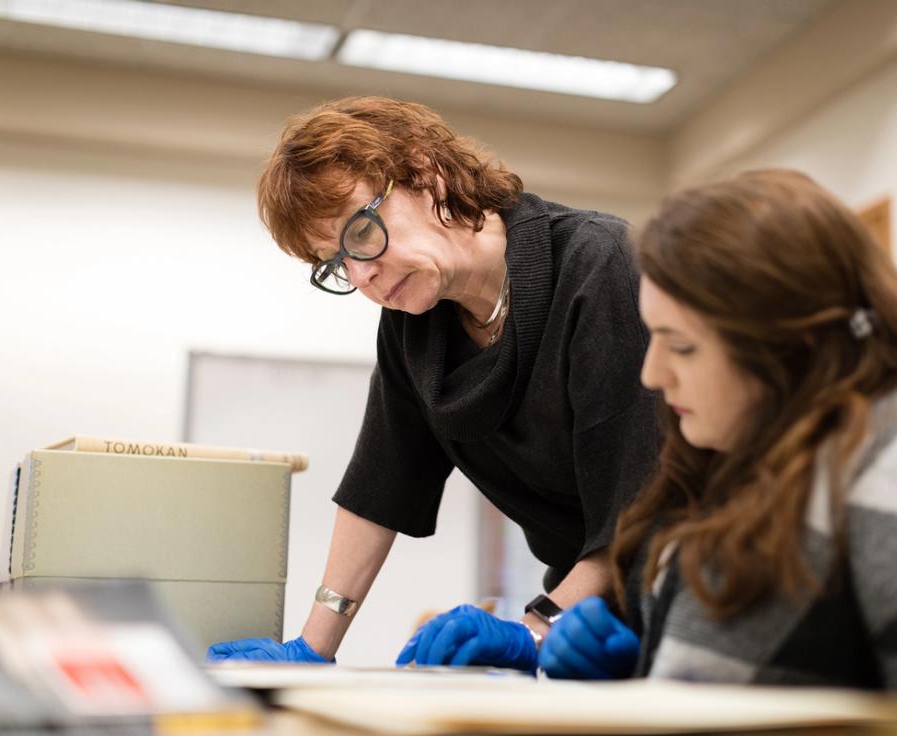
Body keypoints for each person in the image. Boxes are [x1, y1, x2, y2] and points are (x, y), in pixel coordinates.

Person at [538, 170, 897, 733]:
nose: (653, 374)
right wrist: (643, 678)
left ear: (793, 345)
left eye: (682, 346)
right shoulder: (763, 457)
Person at [205, 97, 658, 668]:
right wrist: (312, 647)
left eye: (360, 233)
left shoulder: (598, 264)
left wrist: (537, 628)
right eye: (335, 263)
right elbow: (380, 484)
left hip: (691, 588)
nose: (362, 274)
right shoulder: (413, 328)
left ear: (427, 175)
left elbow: (643, 505)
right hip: (583, 612)